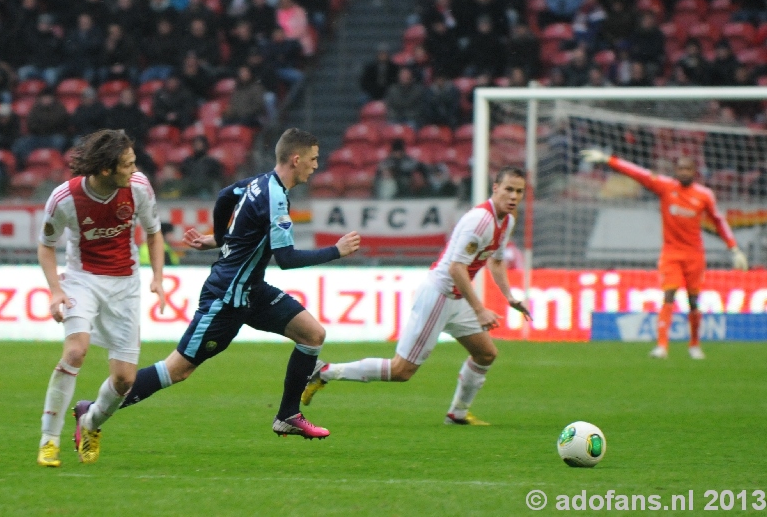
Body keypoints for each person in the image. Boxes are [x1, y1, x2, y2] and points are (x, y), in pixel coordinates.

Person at [106, 128, 361, 440]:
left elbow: (226, 195)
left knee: (312, 335)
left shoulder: (260, 182)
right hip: (226, 296)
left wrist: (219, 239)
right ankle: (94, 408)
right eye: (313, 159)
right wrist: (337, 251)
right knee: (178, 369)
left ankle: (288, 415)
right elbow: (286, 258)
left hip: (252, 290)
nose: (316, 165)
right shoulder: (276, 198)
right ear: (296, 159)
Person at [302, 166, 532, 425]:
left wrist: (510, 297)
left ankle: (456, 414)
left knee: (486, 354)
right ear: (495, 188)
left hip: (457, 298)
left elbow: (497, 262)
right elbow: (457, 268)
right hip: (440, 295)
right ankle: (325, 372)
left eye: (519, 191)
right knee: (401, 370)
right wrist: (479, 309)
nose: (513, 196)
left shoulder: (507, 221)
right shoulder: (480, 221)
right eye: (508, 189)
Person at [36, 129, 167, 468]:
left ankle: (90, 423)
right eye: (128, 164)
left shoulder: (138, 188)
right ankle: (49, 439)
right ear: (107, 170)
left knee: (125, 379)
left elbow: (154, 233)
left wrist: (158, 277)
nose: (135, 169)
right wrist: (56, 290)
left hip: (125, 285)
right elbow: (45, 245)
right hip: (82, 280)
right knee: (76, 350)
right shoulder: (65, 198)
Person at [580, 149, 748, 360]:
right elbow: (639, 173)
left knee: (693, 301)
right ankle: (662, 346)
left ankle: (694, 345)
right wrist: (609, 160)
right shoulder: (666, 187)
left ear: (694, 172)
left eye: (687, 169)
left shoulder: (704, 195)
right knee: (668, 295)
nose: (683, 172)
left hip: (694, 256)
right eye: (680, 168)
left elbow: (719, 221)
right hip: (671, 253)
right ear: (676, 171)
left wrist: (734, 248)